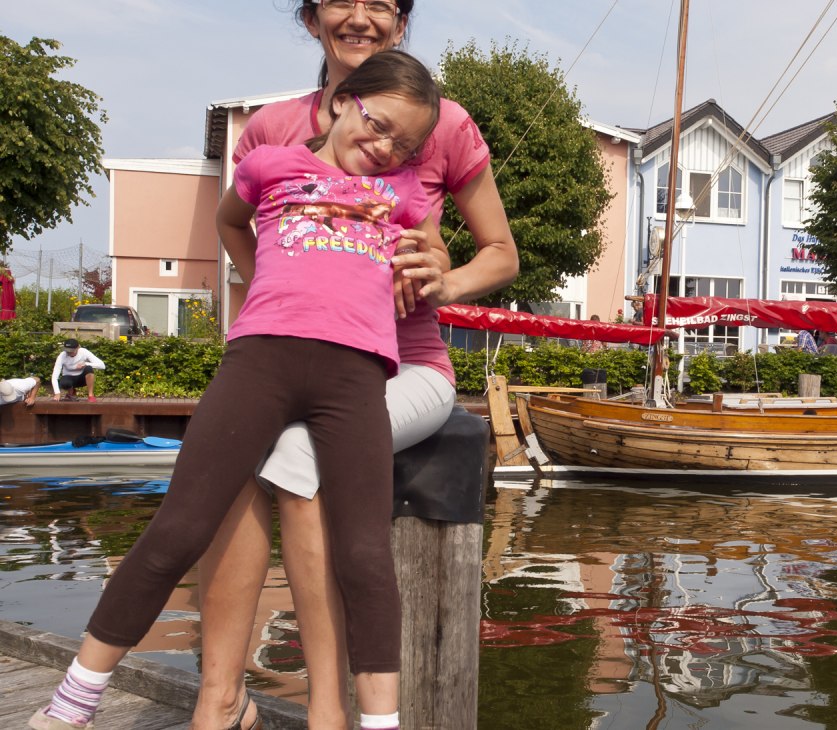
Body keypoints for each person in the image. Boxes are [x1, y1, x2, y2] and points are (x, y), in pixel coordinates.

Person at [29, 50, 445, 730]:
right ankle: (72, 703)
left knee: (366, 555)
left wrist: (426, 269)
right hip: (260, 361)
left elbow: (431, 257)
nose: (384, 147)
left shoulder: (405, 195)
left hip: (356, 376)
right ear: (344, 100)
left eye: (404, 143)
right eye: (378, 125)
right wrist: (264, 283)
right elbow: (229, 222)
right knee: (179, 528)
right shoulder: (270, 164)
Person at [192, 2, 519, 729]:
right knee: (229, 453)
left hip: (410, 368)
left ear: (401, 26)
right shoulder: (274, 128)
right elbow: (237, 228)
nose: (362, 16)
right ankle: (220, 698)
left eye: (383, 5)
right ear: (311, 19)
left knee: (297, 454)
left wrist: (446, 278)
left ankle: (327, 710)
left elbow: (502, 254)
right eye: (344, 0)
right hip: (293, 362)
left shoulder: (443, 124)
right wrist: (272, 312)